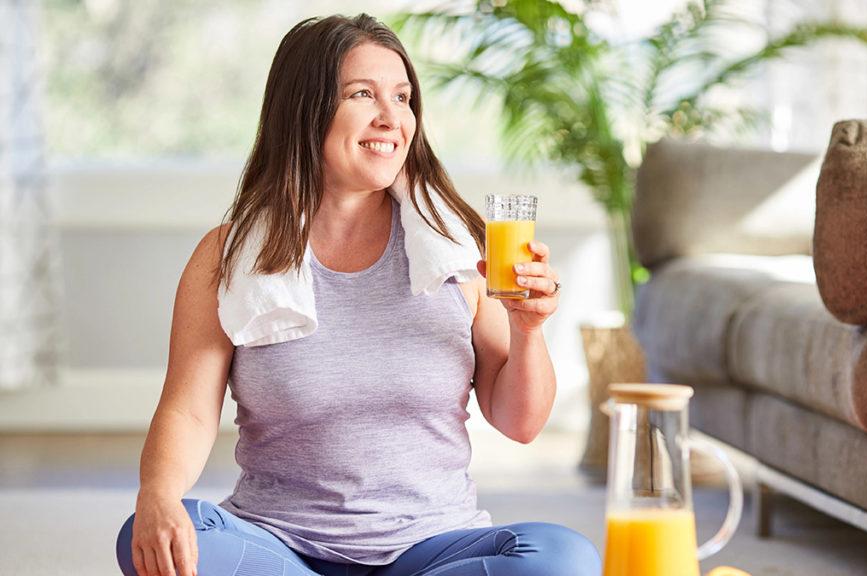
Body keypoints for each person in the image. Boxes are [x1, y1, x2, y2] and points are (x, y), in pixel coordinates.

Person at [114, 13, 600, 576]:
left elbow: (520, 422)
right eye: (362, 94)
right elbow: (189, 410)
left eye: (402, 96)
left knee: (563, 559)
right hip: (281, 543)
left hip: (430, 545)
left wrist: (529, 329)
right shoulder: (228, 255)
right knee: (156, 538)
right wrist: (157, 494)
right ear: (306, 108)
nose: (391, 118)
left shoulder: (458, 249)